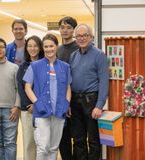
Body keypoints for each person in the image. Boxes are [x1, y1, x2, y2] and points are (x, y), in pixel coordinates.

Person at [23, 34, 71, 160]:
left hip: (59, 111)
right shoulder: (35, 66)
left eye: (51, 46)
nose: (49, 49)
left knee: (54, 147)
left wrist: (66, 104)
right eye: (46, 46)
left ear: (57, 46)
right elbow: (27, 87)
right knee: (43, 146)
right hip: (41, 112)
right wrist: (37, 103)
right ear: (42, 48)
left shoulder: (65, 67)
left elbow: (68, 88)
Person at [69, 24, 109, 160]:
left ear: (91, 37)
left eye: (85, 35)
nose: (81, 38)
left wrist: (99, 105)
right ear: (75, 38)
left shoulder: (99, 55)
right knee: (78, 139)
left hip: (91, 101)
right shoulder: (73, 56)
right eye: (78, 36)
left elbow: (104, 81)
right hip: (75, 101)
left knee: (93, 139)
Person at [17, 35, 44, 160]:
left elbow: (47, 88)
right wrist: (29, 104)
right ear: (26, 48)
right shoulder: (23, 67)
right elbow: (21, 88)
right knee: (28, 142)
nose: (32, 48)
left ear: (40, 47)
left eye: (35, 46)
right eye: (30, 46)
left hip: (43, 109)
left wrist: (37, 104)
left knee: (43, 142)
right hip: (27, 110)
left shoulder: (46, 64)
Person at [57, 16, 79, 160]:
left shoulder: (79, 48)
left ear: (74, 30)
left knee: (78, 136)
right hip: (60, 99)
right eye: (62, 27)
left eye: (69, 27)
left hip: (76, 98)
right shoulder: (57, 49)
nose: (65, 30)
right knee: (62, 137)